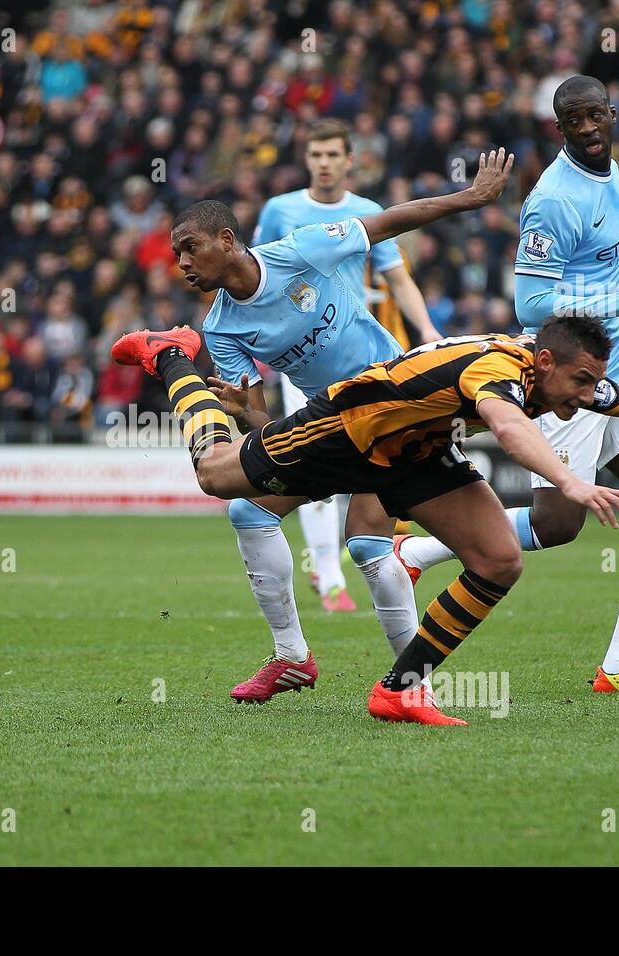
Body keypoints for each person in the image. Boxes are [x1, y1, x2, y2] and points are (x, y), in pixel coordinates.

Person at [110, 316, 619, 725]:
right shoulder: (500, 373)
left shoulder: (560, 371)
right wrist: (573, 481)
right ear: (545, 364)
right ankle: (171, 353)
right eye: (576, 383)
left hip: (413, 453)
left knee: (497, 559)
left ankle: (399, 690)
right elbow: (511, 429)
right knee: (216, 474)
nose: (584, 397)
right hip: (344, 430)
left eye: (588, 384)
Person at [155, 149, 513, 704]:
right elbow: (262, 420)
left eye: (189, 247)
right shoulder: (221, 327)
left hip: (396, 402)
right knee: (250, 508)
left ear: (227, 240)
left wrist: (470, 198)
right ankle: (293, 658)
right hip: (331, 425)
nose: (181, 262)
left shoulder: (300, 250)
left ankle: (412, 687)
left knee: (371, 546)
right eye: (176, 253)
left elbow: (389, 220)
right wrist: (240, 409)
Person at [394, 76, 619, 694]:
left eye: (595, 117)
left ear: (613, 115)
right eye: (573, 121)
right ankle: (420, 554)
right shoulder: (554, 199)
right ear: (558, 128)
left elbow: (609, 261)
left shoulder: (609, 174)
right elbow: (532, 304)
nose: (587, 129)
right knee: (557, 525)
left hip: (618, 360)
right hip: (567, 374)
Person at [249, 118, 439, 613]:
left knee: (376, 456)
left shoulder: (368, 213)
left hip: (360, 353)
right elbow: (252, 271)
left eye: (334, 154)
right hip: (304, 359)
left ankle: (380, 548)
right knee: (313, 461)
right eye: (317, 155)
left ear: (350, 159)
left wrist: (427, 331)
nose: (325, 163)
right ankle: (330, 575)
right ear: (306, 159)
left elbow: (398, 279)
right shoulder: (279, 211)